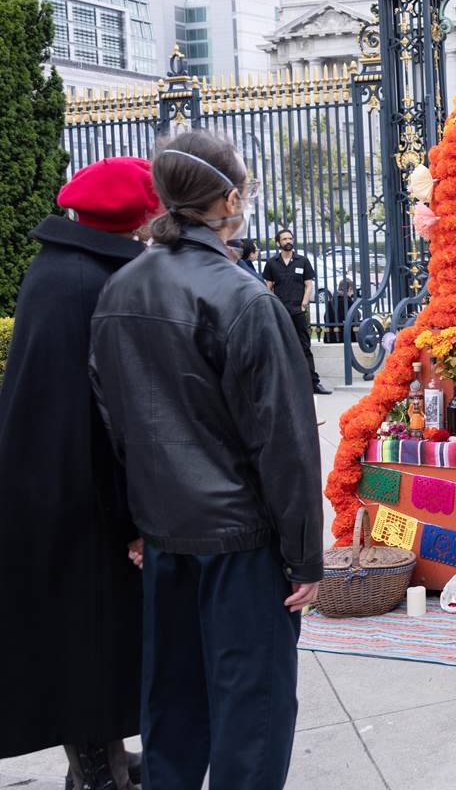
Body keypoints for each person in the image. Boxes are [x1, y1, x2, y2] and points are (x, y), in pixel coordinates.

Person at [89, 130, 324, 788]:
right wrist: (304, 556)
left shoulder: (119, 292)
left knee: (173, 708)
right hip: (240, 546)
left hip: (165, 537)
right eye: (242, 190)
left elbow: (112, 426)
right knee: (252, 715)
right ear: (228, 199)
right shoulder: (243, 298)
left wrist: (133, 524)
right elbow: (284, 442)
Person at [0, 158, 159, 790]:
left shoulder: (61, 267)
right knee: (88, 640)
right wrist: (132, 517)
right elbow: (109, 416)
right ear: (137, 216)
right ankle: (97, 773)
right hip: (80, 495)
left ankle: (106, 758)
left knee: (94, 635)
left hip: (54, 487)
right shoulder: (93, 281)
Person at [263, 228, 331, 394]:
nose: (288, 241)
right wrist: (273, 306)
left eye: (290, 238)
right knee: (280, 347)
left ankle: (313, 383)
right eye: (284, 239)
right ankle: (284, 386)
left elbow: (309, 284)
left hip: (298, 311)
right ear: (278, 243)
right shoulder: (272, 263)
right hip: (280, 312)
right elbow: (268, 287)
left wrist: (304, 303)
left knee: (304, 347)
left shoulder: (302, 261)